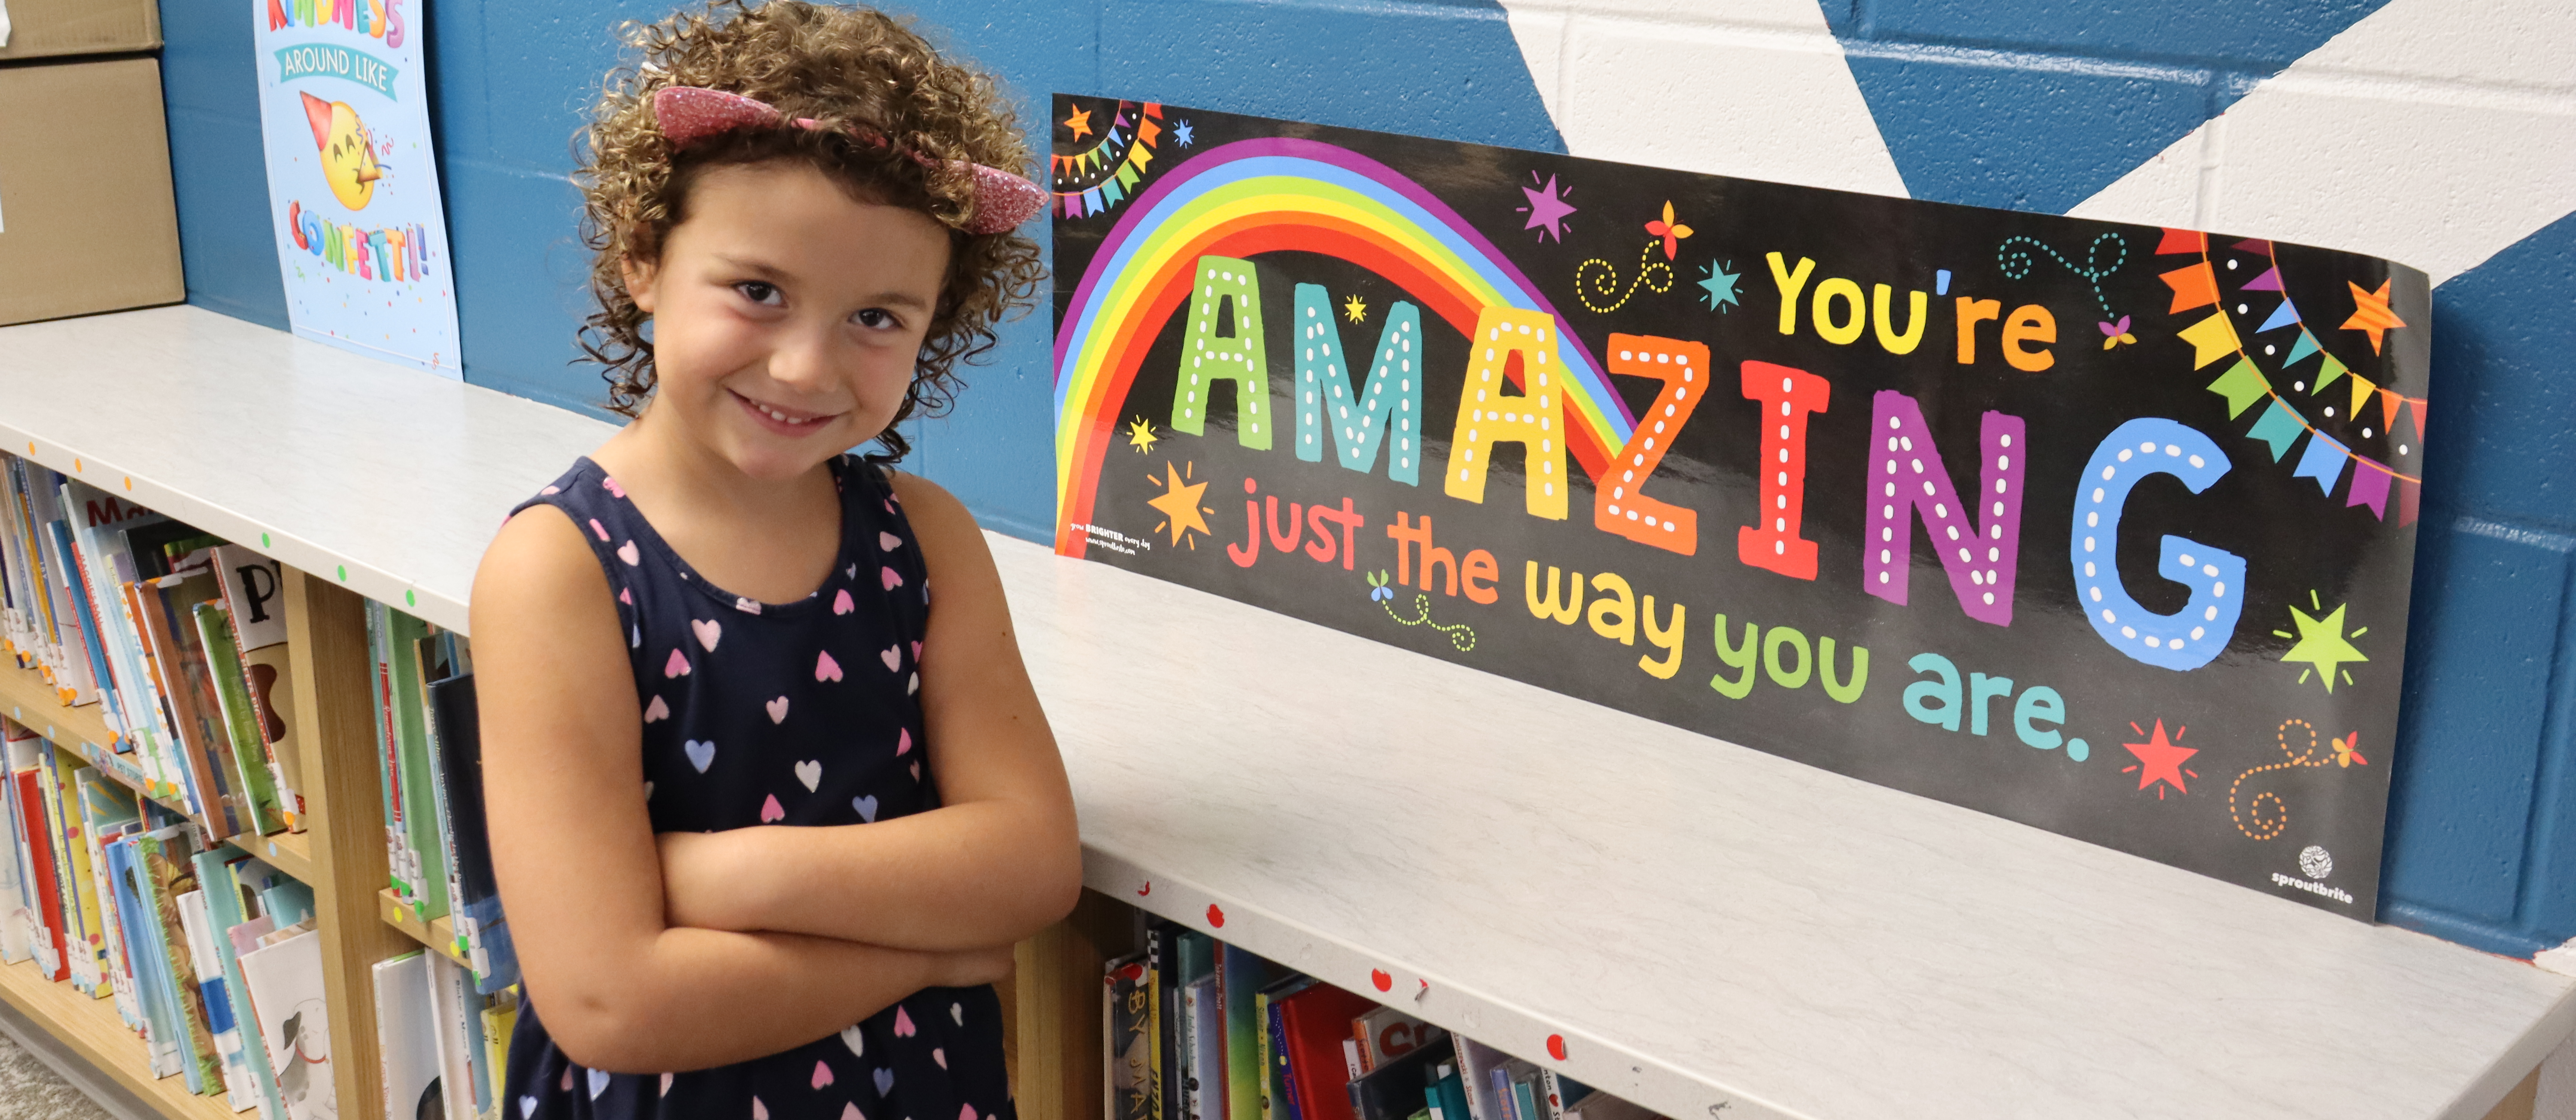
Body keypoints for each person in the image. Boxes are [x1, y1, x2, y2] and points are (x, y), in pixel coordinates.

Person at [468, 3, 1074, 1117]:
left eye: (878, 317)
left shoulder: (924, 540)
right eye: (758, 292)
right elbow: (612, 1003)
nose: (805, 365)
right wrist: (934, 950)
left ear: (938, 322)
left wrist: (725, 875)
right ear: (642, 256)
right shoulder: (560, 572)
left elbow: (1032, 862)